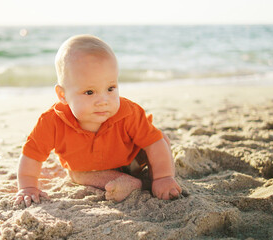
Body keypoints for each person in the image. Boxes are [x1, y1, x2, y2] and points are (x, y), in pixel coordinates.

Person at [14, 34, 182, 207]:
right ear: (63, 95)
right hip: (85, 169)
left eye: (110, 88)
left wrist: (163, 177)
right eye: (89, 92)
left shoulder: (128, 113)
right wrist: (27, 187)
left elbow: (153, 143)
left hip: (130, 164)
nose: (103, 100)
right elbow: (31, 155)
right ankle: (132, 183)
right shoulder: (52, 121)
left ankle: (148, 181)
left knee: (161, 141)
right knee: (79, 174)